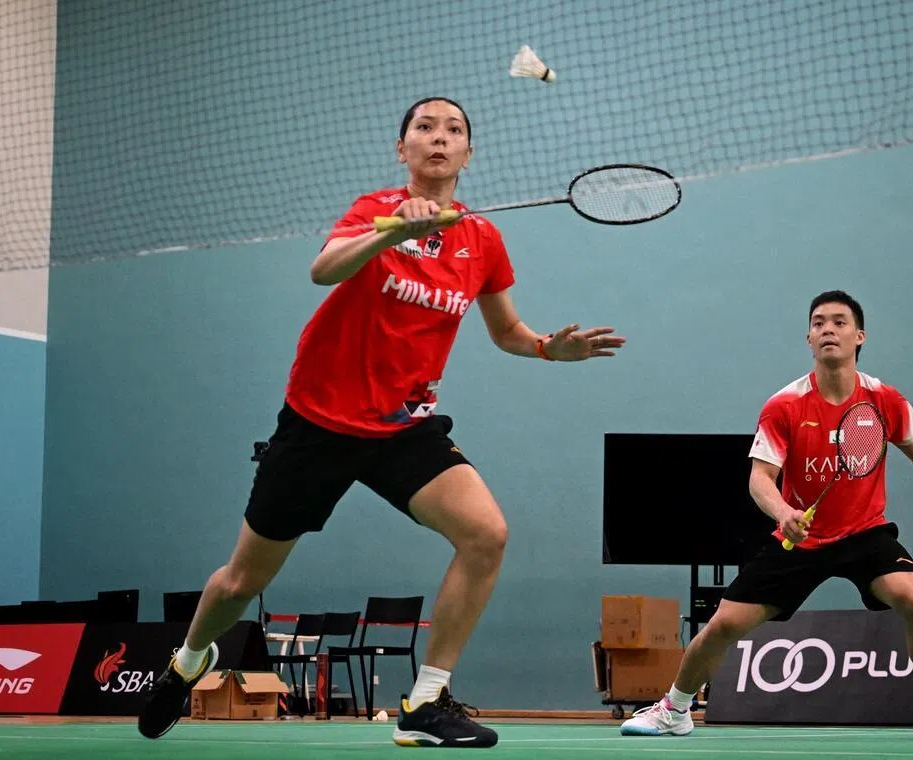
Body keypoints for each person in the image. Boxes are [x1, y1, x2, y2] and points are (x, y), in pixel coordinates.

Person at [138, 96, 625, 747]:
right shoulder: (375, 210)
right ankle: (189, 661)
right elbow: (323, 270)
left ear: (468, 154)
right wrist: (391, 231)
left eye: (454, 130)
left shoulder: (481, 239)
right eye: (425, 127)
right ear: (403, 149)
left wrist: (546, 347)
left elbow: (506, 329)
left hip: (403, 428)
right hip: (320, 423)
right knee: (241, 581)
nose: (439, 138)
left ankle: (425, 703)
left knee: (486, 535)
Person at [619, 289, 913, 741]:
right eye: (819, 322)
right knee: (723, 624)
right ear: (808, 338)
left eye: (839, 322)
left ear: (859, 336)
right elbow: (759, 479)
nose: (828, 329)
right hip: (801, 538)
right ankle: (675, 709)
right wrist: (784, 511)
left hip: (864, 533)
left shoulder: (883, 400)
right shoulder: (784, 405)